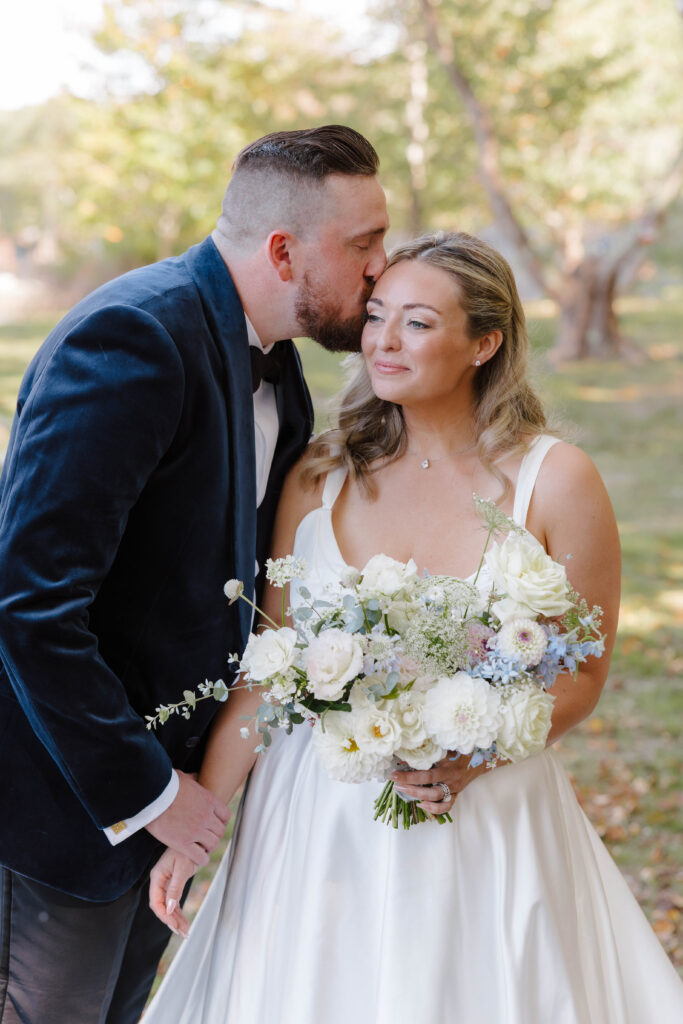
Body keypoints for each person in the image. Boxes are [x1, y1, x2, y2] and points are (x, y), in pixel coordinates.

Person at [145, 231, 683, 1023]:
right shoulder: (320, 473)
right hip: (315, 819)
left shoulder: (555, 478)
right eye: (375, 315)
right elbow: (270, 673)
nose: (382, 342)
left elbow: (582, 672)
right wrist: (196, 831)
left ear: (485, 343)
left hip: (483, 815)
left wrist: (478, 751)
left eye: (418, 323)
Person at [0, 125, 389, 1024]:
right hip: (67, 804)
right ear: (285, 251)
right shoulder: (132, 337)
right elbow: (31, 608)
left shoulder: (278, 365)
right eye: (363, 243)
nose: (381, 267)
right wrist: (148, 792)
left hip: (169, 807)